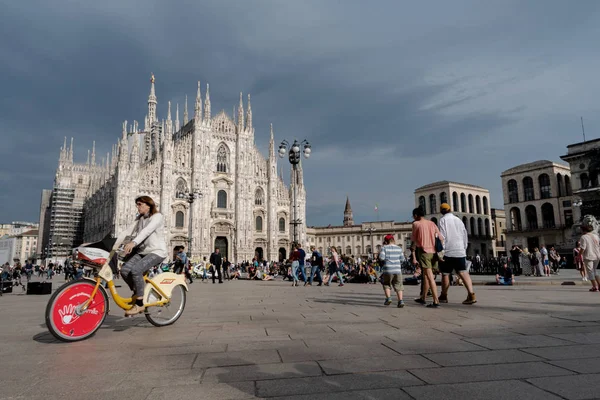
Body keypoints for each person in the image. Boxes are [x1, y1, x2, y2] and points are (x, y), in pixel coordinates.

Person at [115, 195, 168, 316]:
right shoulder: (140, 219)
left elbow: (147, 231)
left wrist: (133, 242)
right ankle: (138, 293)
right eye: (137, 204)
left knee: (136, 270)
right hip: (143, 251)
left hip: (157, 251)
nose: (137, 207)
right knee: (124, 270)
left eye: (140, 204)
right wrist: (114, 243)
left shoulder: (157, 217)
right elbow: (127, 232)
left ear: (148, 205)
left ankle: (139, 304)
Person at [437, 203, 477, 305]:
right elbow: (464, 235)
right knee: (463, 272)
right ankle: (471, 294)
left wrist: (442, 251)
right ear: (450, 209)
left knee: (445, 274)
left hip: (448, 251)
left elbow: (443, 236)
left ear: (441, 211)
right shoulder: (458, 220)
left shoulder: (442, 220)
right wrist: (463, 248)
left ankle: (444, 295)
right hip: (460, 250)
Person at [411, 207, 442, 308]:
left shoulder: (416, 224)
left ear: (416, 215)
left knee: (429, 276)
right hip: (434, 253)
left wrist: (413, 254)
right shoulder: (432, 223)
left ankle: (436, 301)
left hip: (424, 252)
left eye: (413, 216)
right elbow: (440, 237)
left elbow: (414, 240)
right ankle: (423, 298)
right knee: (425, 276)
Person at [379, 234, 405, 307]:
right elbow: (402, 259)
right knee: (399, 285)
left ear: (385, 241)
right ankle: (400, 301)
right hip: (397, 269)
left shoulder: (384, 248)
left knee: (386, 284)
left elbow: (381, 258)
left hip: (387, 269)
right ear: (393, 240)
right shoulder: (399, 248)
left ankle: (389, 298)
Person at [580, 218, 600, 292]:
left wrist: (579, 256)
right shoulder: (596, 236)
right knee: (594, 271)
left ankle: (595, 287)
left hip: (589, 256)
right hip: (597, 256)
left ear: (583, 230)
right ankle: (599, 285)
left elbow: (582, 248)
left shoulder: (583, 237)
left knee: (590, 272)